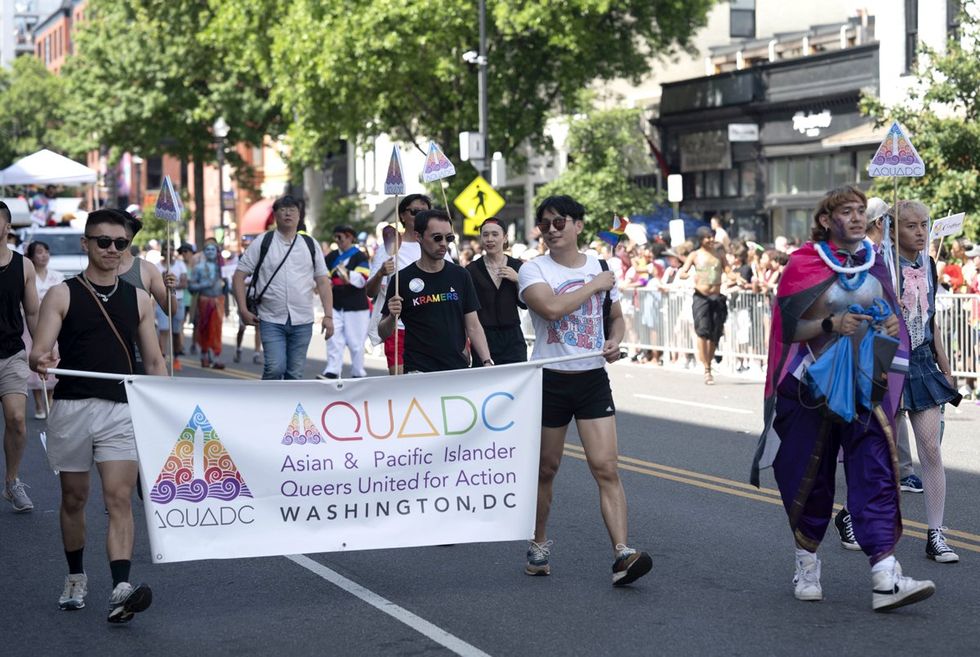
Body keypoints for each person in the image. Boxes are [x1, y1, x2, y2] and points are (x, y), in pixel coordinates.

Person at [752, 185, 935, 612]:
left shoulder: (877, 264)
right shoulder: (803, 264)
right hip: (809, 389)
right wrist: (832, 323)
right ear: (824, 220)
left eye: (859, 211)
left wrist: (890, 326)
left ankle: (885, 575)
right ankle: (807, 563)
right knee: (808, 477)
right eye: (846, 211)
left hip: (864, 385)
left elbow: (892, 318)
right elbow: (789, 329)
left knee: (876, 471)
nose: (856, 218)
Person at [29, 208, 166, 622]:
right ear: (86, 244)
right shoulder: (62, 293)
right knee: (74, 497)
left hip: (122, 407)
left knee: (119, 497)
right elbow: (39, 350)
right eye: (103, 242)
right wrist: (41, 358)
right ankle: (75, 576)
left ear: (128, 247)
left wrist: (167, 405)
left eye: (120, 243)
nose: (111, 249)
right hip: (71, 407)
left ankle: (121, 587)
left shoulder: (139, 299)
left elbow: (155, 362)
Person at [517, 195, 652, 587]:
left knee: (606, 467)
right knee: (546, 468)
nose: (551, 230)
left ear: (578, 225)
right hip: (550, 377)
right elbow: (552, 309)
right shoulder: (533, 269)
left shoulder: (602, 265)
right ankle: (539, 542)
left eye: (559, 222)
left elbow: (615, 317)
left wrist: (614, 341)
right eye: (544, 224)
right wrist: (594, 284)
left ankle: (622, 552)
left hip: (592, 376)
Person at [891, 201, 960, 561]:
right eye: (911, 226)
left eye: (924, 225)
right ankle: (853, 515)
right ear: (893, 230)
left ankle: (936, 535)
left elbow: (930, 319)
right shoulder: (883, 266)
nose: (920, 232)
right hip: (886, 363)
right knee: (880, 452)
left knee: (931, 448)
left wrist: (944, 364)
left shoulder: (928, 265)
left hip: (920, 363)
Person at [232, 195, 333, 380]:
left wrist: (328, 316)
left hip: (302, 320)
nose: (288, 213)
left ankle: (290, 410)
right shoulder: (263, 242)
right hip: (270, 318)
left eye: (292, 210)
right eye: (283, 210)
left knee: (295, 374)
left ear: (299, 215)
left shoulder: (310, 245)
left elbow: (323, 281)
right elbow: (239, 276)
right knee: (275, 368)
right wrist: (242, 310)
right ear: (275, 215)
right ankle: (270, 408)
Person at [378, 209, 492, 372]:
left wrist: (487, 361)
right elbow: (383, 332)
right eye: (437, 237)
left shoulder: (461, 275)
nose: (444, 243)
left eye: (449, 238)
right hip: (418, 372)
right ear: (418, 237)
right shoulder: (401, 279)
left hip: (456, 369)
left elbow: (473, 325)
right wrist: (391, 316)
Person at [366, 194, 446, 374]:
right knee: (401, 387)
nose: (421, 216)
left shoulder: (437, 245)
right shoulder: (389, 246)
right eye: (415, 211)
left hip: (432, 328)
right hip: (399, 328)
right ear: (402, 215)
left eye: (426, 212)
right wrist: (380, 273)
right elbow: (370, 292)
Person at [0, 201, 40, 512]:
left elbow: (33, 311)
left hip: (11, 352)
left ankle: (12, 482)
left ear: (8, 226)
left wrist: (41, 346)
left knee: (16, 419)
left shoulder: (23, 266)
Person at [117, 213, 179, 372]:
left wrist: (171, 290)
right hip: (104, 358)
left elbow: (170, 310)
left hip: (140, 357)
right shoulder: (97, 271)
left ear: (130, 238)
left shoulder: (147, 269)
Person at [465, 218, 527, 365]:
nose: (490, 239)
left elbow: (525, 304)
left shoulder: (517, 265)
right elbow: (466, 311)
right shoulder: (471, 270)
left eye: (495, 234)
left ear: (504, 237)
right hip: (483, 339)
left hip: (513, 339)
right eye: (485, 235)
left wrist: (518, 280)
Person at [678, 227, 733, 385]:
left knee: (715, 334)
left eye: (712, 236)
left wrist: (736, 277)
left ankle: (709, 363)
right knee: (702, 331)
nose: (710, 239)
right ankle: (707, 368)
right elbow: (682, 273)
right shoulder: (694, 255)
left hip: (717, 297)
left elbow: (728, 271)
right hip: (701, 297)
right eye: (707, 237)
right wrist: (690, 276)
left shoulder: (719, 254)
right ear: (701, 239)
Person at [320, 225, 371, 379]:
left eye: (340, 237)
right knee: (334, 339)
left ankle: (358, 372)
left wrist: (347, 274)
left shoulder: (360, 256)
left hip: (356, 305)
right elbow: (324, 277)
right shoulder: (330, 257)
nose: (337, 241)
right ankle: (332, 370)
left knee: (356, 342)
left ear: (350, 237)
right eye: (335, 237)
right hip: (335, 303)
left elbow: (363, 279)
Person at [24, 240, 64, 418]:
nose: (44, 255)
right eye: (39, 252)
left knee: (53, 358)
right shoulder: (27, 275)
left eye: (46, 251)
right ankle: (39, 404)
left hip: (53, 324)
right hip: (30, 324)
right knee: (33, 357)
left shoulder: (57, 276)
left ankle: (52, 401)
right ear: (31, 256)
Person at [188, 241, 226, 369]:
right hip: (204, 301)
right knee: (204, 328)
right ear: (204, 252)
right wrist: (204, 285)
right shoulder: (198, 268)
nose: (210, 252)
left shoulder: (222, 268)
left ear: (217, 252)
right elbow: (191, 287)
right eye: (208, 250)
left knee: (217, 329)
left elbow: (228, 288)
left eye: (213, 250)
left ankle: (216, 357)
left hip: (219, 301)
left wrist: (227, 283)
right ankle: (204, 355)